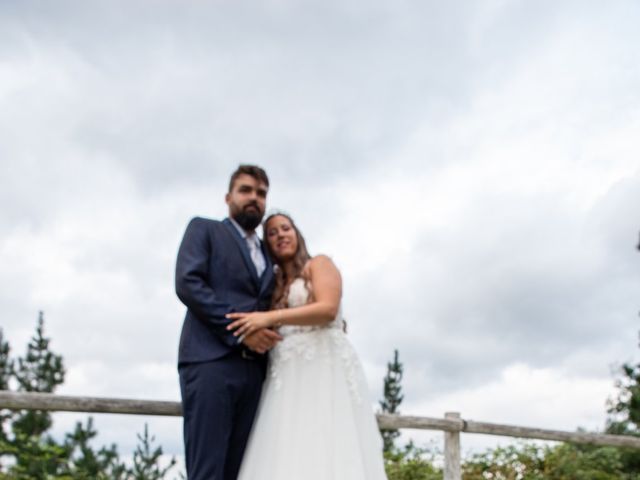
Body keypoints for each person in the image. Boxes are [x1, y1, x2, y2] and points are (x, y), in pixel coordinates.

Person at [227, 213, 388, 480]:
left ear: (297, 233)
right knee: (288, 449)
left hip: (325, 372)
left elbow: (327, 308)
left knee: (329, 442)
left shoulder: (319, 264)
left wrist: (270, 317)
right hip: (287, 380)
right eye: (272, 233)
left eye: (285, 228)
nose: (280, 235)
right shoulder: (274, 285)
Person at [175, 165, 282, 480]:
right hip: (211, 362)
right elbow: (188, 283)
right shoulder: (204, 230)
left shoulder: (269, 251)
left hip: (256, 373)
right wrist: (241, 332)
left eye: (261, 194)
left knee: (243, 471)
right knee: (208, 470)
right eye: (246, 190)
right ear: (228, 197)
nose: (254, 198)